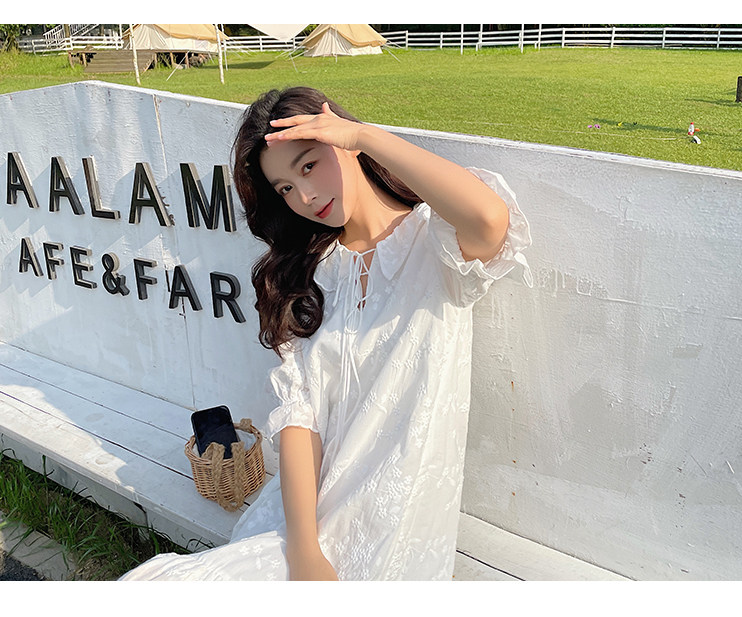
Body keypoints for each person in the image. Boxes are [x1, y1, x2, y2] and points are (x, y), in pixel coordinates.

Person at [119, 86, 533, 582]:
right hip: (304, 518)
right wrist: (305, 552)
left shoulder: (435, 245)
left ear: (342, 142)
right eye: (284, 189)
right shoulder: (307, 277)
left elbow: (489, 217)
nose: (305, 197)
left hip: (397, 525)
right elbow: (301, 418)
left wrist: (364, 136)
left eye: (309, 165)